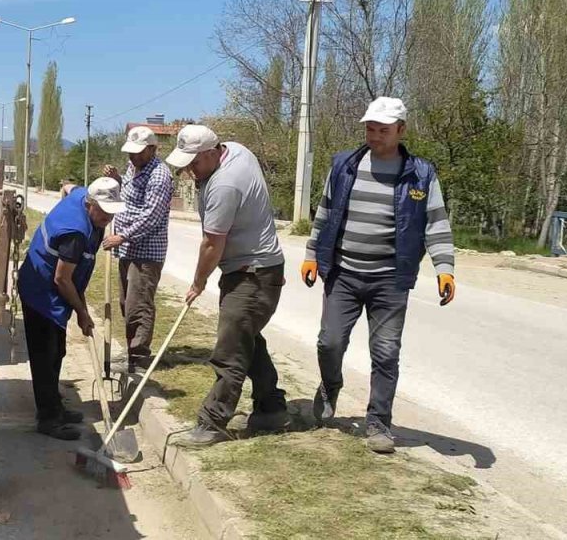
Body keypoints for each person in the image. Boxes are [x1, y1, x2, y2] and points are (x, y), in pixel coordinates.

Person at [301, 97, 456, 454]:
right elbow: (324, 212)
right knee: (330, 342)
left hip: (390, 279)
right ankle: (330, 385)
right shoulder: (344, 166)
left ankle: (378, 422)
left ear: (401, 130)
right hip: (343, 273)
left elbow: (436, 222)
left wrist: (444, 269)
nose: (374, 135)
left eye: (382, 130)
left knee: (385, 351)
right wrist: (312, 254)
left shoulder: (420, 173)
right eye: (370, 128)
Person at [165, 125, 289, 446]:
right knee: (247, 340)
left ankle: (212, 422)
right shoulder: (237, 149)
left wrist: (198, 282)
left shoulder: (224, 186)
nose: (189, 171)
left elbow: (212, 245)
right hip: (259, 268)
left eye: (194, 163)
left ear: (210, 152)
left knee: (230, 349)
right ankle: (271, 408)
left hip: (252, 273)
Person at [17, 177, 126, 440]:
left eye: (112, 211)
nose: (107, 217)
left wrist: (81, 309)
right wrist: (82, 312)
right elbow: (62, 279)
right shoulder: (75, 233)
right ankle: (48, 419)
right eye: (103, 211)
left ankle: (54, 405)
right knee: (46, 356)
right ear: (89, 204)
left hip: (53, 287)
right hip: (40, 291)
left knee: (58, 351)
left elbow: (67, 186)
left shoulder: (81, 196)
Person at [102, 126, 175, 369]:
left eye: (138, 153)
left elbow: (151, 216)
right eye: (130, 153)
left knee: (139, 304)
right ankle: (132, 352)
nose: (132, 157)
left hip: (146, 252)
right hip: (128, 250)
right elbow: (130, 197)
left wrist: (121, 236)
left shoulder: (160, 176)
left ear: (152, 149)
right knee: (127, 303)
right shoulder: (135, 167)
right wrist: (117, 181)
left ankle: (139, 358)